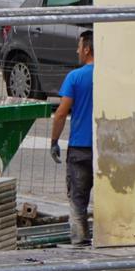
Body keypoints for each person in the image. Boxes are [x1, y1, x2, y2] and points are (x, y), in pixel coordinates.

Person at [48, 29, 94, 245]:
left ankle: (80, 243)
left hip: (79, 149)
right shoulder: (109, 75)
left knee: (78, 199)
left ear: (87, 49)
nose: (77, 50)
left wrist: (54, 141)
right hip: (103, 148)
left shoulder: (75, 77)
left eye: (79, 46)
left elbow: (60, 114)